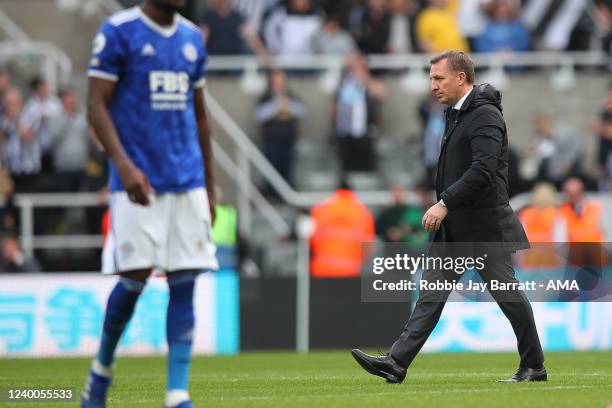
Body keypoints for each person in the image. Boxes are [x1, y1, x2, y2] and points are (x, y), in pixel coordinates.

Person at [351, 51, 546, 383]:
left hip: (483, 226)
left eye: (438, 78)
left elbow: (483, 170)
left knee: (509, 297)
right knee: (430, 297)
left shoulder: (483, 115)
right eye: (431, 79)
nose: (432, 86)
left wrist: (444, 203)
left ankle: (534, 366)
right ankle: (396, 363)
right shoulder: (456, 114)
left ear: (460, 78)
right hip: (457, 226)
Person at [82, 1, 218, 408]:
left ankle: (177, 394)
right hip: (139, 180)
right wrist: (122, 166)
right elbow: (95, 105)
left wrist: (210, 187)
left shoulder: (193, 37)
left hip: (187, 178)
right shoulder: (118, 31)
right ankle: (101, 371)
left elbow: (201, 117)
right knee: (134, 278)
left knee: (186, 278)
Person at [310, 180, 375, 277]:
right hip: (350, 271)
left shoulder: (321, 209)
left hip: (322, 269)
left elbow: (310, 238)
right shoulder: (364, 213)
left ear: (336, 191)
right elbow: (368, 246)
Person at [254, 69, 305, 191]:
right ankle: (271, 193)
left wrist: (288, 104)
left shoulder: (291, 96)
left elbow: (302, 111)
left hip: (288, 140)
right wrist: (275, 106)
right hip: (271, 141)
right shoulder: (266, 97)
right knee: (272, 169)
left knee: (287, 168)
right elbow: (258, 115)